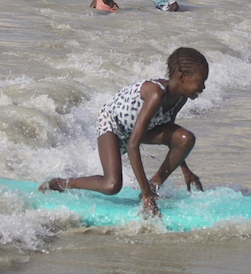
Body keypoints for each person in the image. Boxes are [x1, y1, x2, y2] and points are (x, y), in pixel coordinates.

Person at [39, 47, 208, 217]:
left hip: (141, 129)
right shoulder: (156, 94)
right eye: (201, 81)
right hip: (113, 124)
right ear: (181, 77)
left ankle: (153, 186)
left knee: (186, 139)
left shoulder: (181, 98)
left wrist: (186, 170)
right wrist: (147, 199)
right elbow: (132, 145)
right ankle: (61, 183)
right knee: (111, 185)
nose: (204, 87)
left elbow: (171, 136)